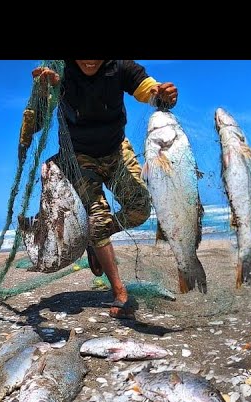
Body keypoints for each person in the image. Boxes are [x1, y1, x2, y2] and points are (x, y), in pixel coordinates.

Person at [30, 60, 178, 320]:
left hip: (116, 150)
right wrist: (44, 91)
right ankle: (119, 292)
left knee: (140, 210)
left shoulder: (121, 67)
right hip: (79, 157)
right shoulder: (59, 72)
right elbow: (38, 118)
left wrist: (161, 93)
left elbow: (147, 89)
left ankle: (95, 238)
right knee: (97, 218)